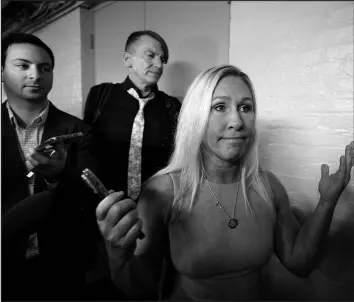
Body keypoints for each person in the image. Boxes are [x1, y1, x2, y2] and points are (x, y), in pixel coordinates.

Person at [96, 64, 354, 301]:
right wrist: (117, 252)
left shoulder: (268, 186)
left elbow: (301, 264)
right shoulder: (163, 192)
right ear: (197, 117)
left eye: (246, 107)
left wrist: (327, 202)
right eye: (220, 107)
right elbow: (139, 289)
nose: (237, 122)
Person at [82, 30, 181, 299]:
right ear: (128, 59)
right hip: (107, 213)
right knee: (108, 285)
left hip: (156, 217)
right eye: (150, 55)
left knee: (150, 284)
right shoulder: (101, 96)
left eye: (163, 59)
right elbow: (86, 151)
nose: (159, 64)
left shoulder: (172, 107)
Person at [1, 32, 96, 301]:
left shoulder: (79, 130)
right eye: (23, 65)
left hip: (62, 259)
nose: (35, 75)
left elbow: (92, 198)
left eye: (45, 68)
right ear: (2, 72)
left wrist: (59, 175)